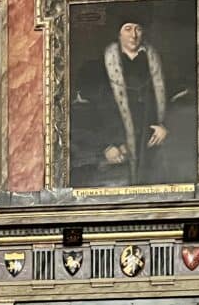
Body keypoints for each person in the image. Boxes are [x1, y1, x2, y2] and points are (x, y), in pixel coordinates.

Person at [71, 20, 170, 187]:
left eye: (138, 28)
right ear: (118, 33)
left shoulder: (156, 61)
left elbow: (176, 101)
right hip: (115, 150)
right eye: (128, 29)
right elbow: (87, 114)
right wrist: (106, 145)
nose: (134, 35)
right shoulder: (98, 67)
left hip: (150, 145)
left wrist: (164, 126)